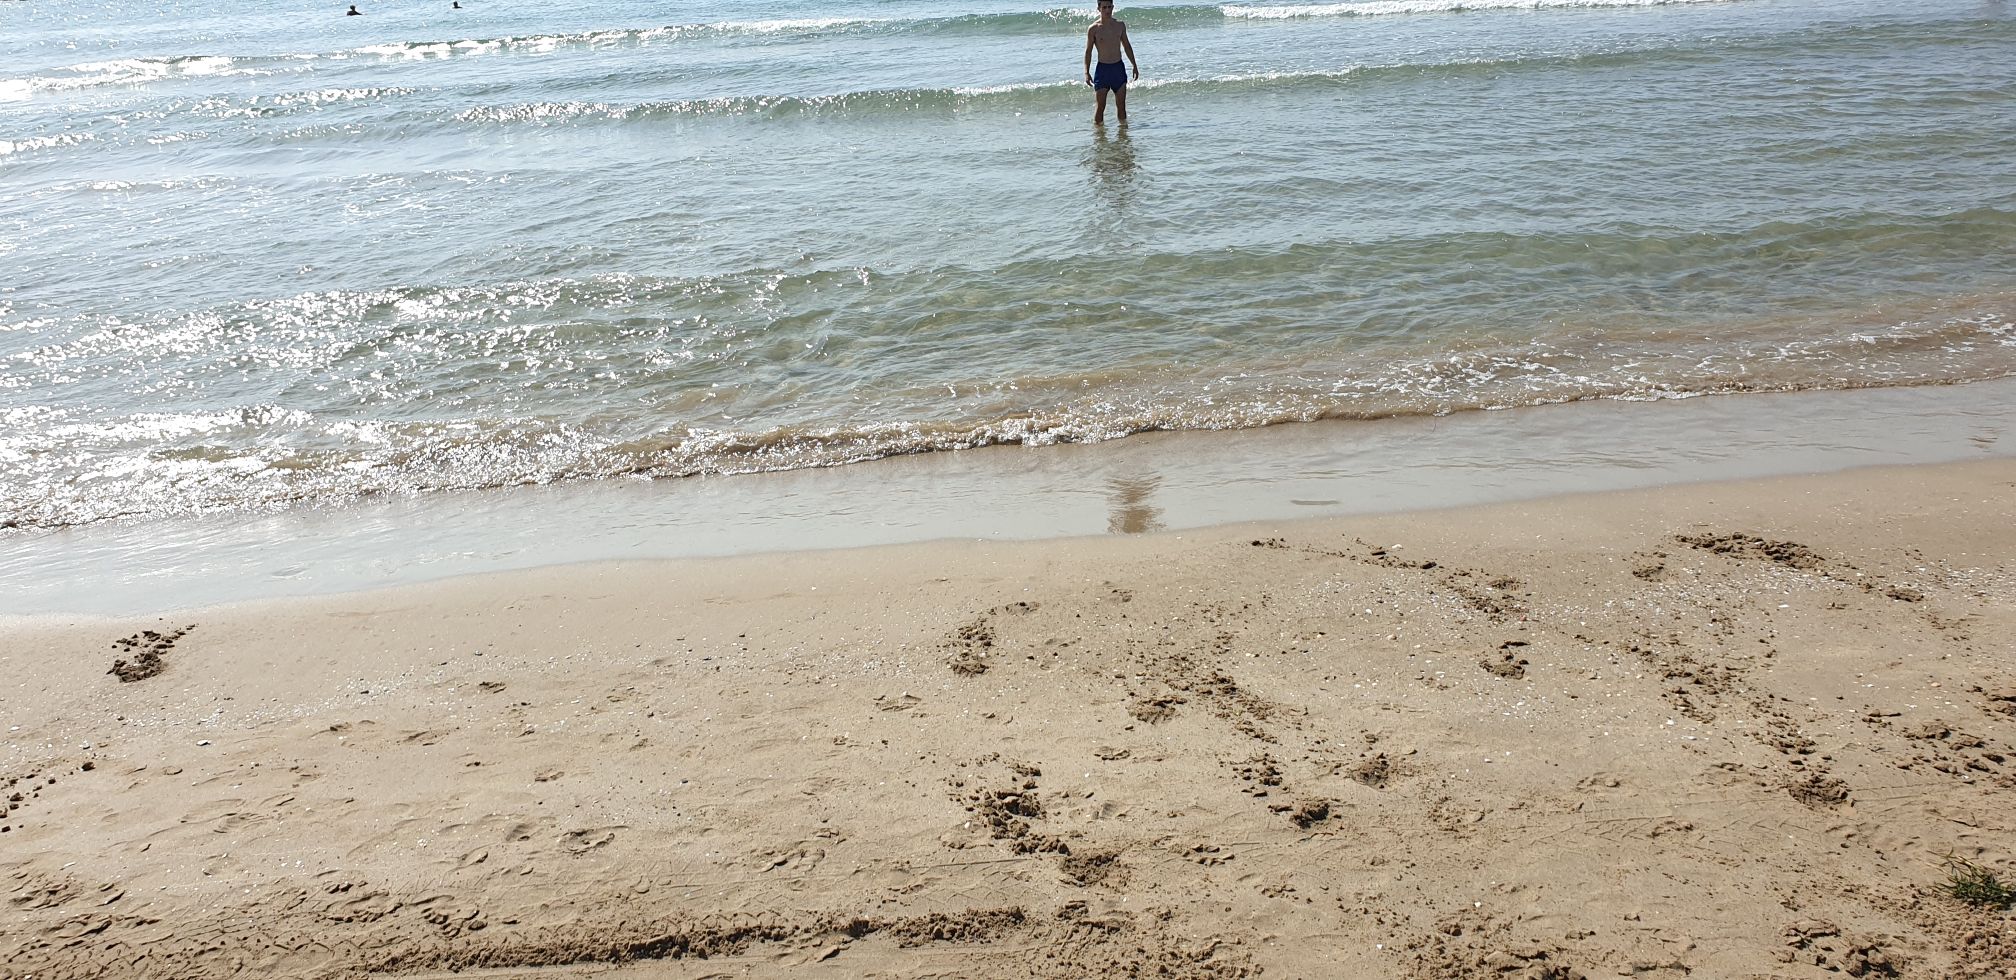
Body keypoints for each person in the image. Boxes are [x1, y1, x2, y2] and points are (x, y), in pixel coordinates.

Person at [1082, 0, 1138, 125]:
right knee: (1100, 107)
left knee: (1121, 106)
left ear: (1113, 7)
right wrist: (1086, 72)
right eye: (1104, 7)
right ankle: (1099, 134)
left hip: (1118, 69)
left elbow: (1127, 46)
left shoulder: (1120, 25)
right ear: (1099, 9)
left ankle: (1123, 133)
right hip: (1103, 71)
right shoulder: (1093, 29)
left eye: (1109, 7)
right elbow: (1088, 52)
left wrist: (1134, 65)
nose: (1107, 10)